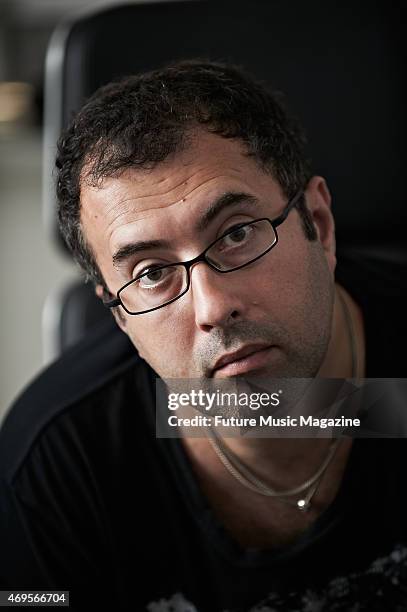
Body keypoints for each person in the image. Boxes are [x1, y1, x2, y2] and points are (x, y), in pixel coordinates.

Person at [0, 60, 406, 612]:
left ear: (319, 223)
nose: (213, 307)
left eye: (237, 234)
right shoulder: (54, 465)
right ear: (120, 317)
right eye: (150, 273)